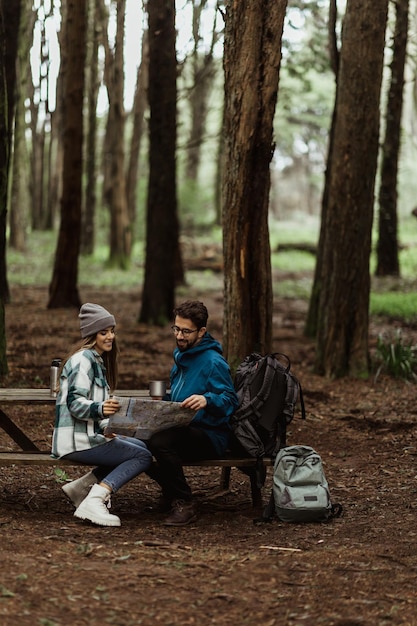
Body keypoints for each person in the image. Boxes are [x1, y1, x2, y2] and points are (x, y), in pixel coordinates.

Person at [51, 302, 152, 527]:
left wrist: (107, 427)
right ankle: (95, 500)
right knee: (141, 457)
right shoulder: (82, 361)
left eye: (112, 331)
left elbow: (93, 410)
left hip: (88, 435)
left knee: (142, 447)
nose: (110, 337)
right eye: (103, 332)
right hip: (76, 441)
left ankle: (80, 489)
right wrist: (100, 409)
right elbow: (75, 404)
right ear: (91, 335)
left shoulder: (96, 361)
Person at [146, 300, 239, 526]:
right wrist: (164, 402)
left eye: (186, 331)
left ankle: (184, 501)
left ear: (202, 332)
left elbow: (230, 400)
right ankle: (170, 490)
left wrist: (207, 399)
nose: (179, 336)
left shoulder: (213, 362)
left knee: (159, 443)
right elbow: (181, 400)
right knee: (135, 443)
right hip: (183, 426)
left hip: (210, 434)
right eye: (176, 329)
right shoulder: (182, 357)